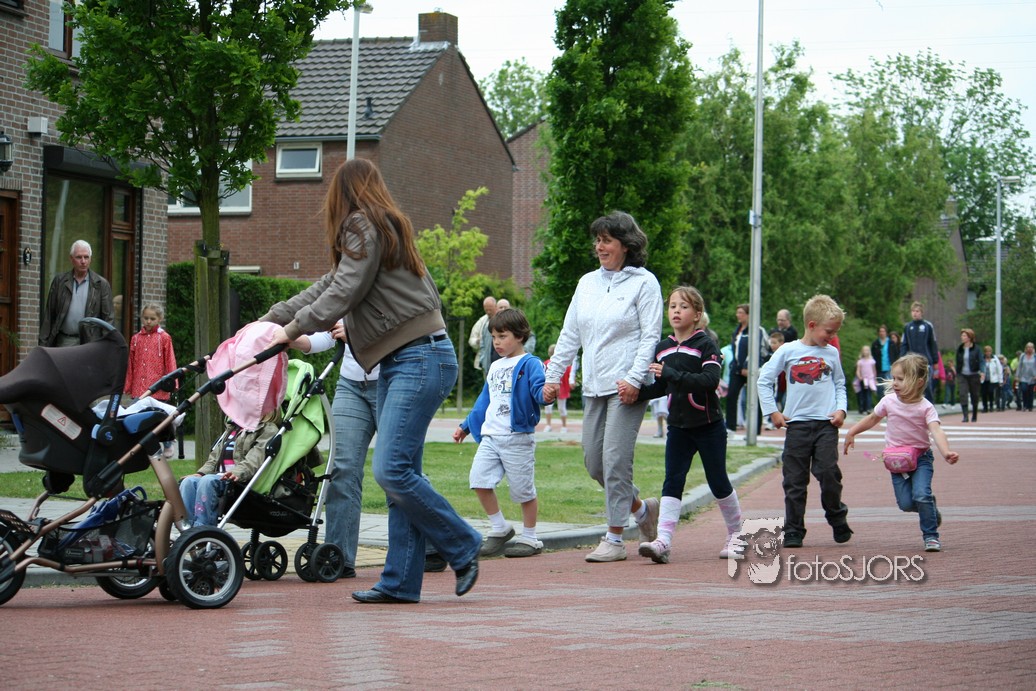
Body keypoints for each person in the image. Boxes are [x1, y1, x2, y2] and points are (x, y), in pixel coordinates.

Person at [259, 158, 480, 604]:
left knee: (391, 470)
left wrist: (289, 331)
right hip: (415, 358)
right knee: (402, 474)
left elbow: (342, 294)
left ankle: (462, 542)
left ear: (342, 193)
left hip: (418, 358)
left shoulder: (362, 225)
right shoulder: (383, 228)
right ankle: (400, 582)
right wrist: (269, 320)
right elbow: (326, 286)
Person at [542, 211, 663, 563]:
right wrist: (553, 377)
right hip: (594, 385)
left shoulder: (644, 283)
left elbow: (650, 336)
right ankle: (642, 510)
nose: (599, 246)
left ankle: (614, 538)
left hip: (626, 386)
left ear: (626, 245)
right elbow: (570, 334)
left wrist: (635, 378)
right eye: (597, 240)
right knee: (595, 463)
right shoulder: (586, 283)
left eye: (607, 240)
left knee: (615, 461)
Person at [636, 286, 744, 564]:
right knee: (672, 481)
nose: (676, 311)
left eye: (683, 307)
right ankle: (663, 541)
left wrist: (671, 373)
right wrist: (636, 393)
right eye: (672, 306)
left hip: (709, 426)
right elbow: (662, 386)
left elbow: (709, 381)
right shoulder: (662, 347)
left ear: (697, 314)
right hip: (678, 427)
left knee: (718, 481)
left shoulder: (705, 345)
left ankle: (736, 535)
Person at [757, 294, 851, 549]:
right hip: (796, 425)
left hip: (825, 425)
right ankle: (793, 530)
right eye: (829, 331)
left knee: (828, 472)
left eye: (835, 332)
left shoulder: (831, 353)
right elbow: (764, 380)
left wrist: (841, 409)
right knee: (794, 481)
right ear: (811, 325)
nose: (832, 337)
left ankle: (836, 515)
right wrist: (773, 412)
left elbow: (840, 384)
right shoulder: (788, 350)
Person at [454, 308, 547, 558]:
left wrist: (546, 394)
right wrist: (466, 425)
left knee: (523, 491)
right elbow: (484, 400)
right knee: (478, 480)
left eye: (502, 336)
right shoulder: (495, 366)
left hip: (517, 438)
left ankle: (530, 538)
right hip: (491, 437)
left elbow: (540, 391)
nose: (496, 342)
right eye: (494, 337)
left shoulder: (530, 363)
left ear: (520, 336)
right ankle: (500, 528)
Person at [843, 353, 959, 552]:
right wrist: (852, 432)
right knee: (905, 504)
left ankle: (931, 536)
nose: (895, 383)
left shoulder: (926, 407)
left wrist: (946, 452)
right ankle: (930, 508)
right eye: (894, 378)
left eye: (901, 379)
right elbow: (872, 418)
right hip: (896, 461)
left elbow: (936, 430)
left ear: (918, 382)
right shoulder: (888, 401)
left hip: (921, 458)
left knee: (921, 495)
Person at [179, 410, 281, 526]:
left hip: (240, 479)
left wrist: (237, 472)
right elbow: (214, 458)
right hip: (219, 476)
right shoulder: (233, 428)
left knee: (207, 481)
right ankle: (187, 528)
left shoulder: (268, 430)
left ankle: (202, 528)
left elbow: (254, 459)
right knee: (189, 482)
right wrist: (201, 473)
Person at [123, 302, 178, 459]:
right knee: (139, 416)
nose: (148, 321)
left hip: (158, 386)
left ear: (159, 319)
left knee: (162, 417)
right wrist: (128, 385)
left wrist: (172, 383)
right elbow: (131, 364)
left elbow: (170, 361)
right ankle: (142, 446)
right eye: (146, 318)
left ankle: (168, 443)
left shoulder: (164, 338)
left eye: (152, 319)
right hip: (139, 387)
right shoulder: (135, 339)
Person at [39, 239, 114, 347]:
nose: (83, 261)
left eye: (86, 257)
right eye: (79, 257)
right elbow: (49, 316)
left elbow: (108, 319)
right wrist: (43, 345)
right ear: (71, 259)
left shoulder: (101, 284)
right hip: (64, 341)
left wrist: (105, 346)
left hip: (90, 344)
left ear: (90, 259)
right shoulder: (60, 282)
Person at [726, 303, 768, 434]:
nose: (738, 315)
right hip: (737, 369)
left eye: (741, 313)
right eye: (737, 312)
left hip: (751, 370)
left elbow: (757, 349)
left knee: (754, 398)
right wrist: (735, 365)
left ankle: (755, 430)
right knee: (731, 395)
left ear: (749, 315)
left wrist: (747, 366)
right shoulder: (737, 330)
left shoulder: (757, 330)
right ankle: (730, 427)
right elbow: (735, 349)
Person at [901, 301, 939, 402]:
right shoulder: (907, 327)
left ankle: (930, 408)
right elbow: (904, 345)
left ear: (921, 312)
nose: (915, 313)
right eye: (913, 311)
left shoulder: (927, 326)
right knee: (912, 387)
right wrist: (902, 359)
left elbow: (933, 344)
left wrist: (936, 361)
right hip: (912, 362)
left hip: (925, 362)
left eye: (917, 311)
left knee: (927, 386)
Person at [542, 344, 573, 433]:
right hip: (561, 388)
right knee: (562, 408)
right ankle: (563, 426)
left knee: (548, 407)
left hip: (551, 388)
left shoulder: (547, 363)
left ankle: (548, 425)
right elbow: (570, 377)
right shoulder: (565, 365)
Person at [956, 328, 983, 423]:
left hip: (974, 374)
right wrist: (957, 373)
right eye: (962, 335)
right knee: (963, 394)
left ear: (969, 337)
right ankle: (965, 416)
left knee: (974, 395)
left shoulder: (977, 349)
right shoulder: (960, 349)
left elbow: (981, 361)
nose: (962, 337)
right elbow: (957, 362)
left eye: (964, 336)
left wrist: (982, 372)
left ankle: (974, 415)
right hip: (962, 375)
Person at [468, 296, 497, 374]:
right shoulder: (482, 322)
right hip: (486, 362)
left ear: (495, 306)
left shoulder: (504, 319)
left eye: (490, 309)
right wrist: (478, 341)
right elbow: (471, 340)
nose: (488, 312)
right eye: (486, 309)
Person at [871, 324, 898, 401]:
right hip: (879, 368)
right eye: (880, 331)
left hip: (890, 368)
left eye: (883, 331)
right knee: (880, 388)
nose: (882, 333)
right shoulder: (875, 344)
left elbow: (896, 354)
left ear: (886, 332)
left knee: (890, 387)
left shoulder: (891, 343)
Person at [854, 345, 878, 415]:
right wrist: (859, 376)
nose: (865, 352)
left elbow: (874, 370)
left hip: (870, 380)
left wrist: (875, 379)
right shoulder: (860, 362)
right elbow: (858, 370)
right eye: (864, 350)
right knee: (861, 394)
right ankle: (861, 407)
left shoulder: (872, 361)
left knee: (868, 394)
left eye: (867, 350)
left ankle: (868, 408)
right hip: (862, 379)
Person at [981, 345, 1003, 414]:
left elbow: (999, 369)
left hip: (992, 379)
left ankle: (991, 406)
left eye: (989, 351)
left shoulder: (995, 359)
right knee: (984, 393)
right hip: (984, 379)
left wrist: (1000, 380)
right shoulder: (981, 359)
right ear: (984, 352)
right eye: (986, 351)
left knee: (990, 392)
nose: (988, 353)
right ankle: (985, 407)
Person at [1017, 342, 1036, 412]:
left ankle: (1030, 406)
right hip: (1023, 377)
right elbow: (1019, 366)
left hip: (1032, 377)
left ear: (1033, 348)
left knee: (1031, 392)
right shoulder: (1022, 356)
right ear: (1026, 348)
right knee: (1024, 390)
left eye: (1031, 347)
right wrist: (1017, 376)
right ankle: (1025, 405)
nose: (1029, 348)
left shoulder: (1035, 356)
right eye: (1028, 347)